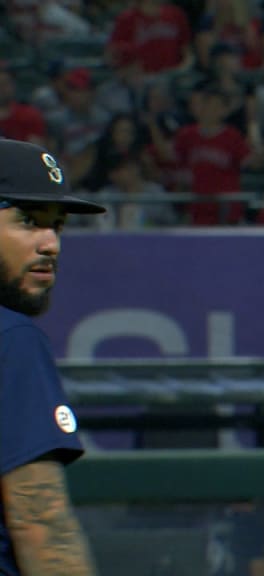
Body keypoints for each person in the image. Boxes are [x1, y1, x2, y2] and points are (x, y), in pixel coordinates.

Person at [0, 139, 105, 574]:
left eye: (56, 225)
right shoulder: (10, 338)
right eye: (27, 220)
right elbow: (40, 523)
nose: (50, 244)